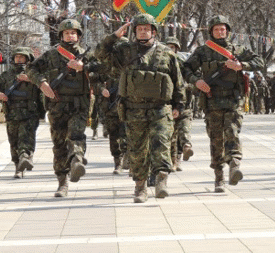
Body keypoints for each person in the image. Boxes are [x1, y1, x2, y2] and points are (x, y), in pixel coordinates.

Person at [95, 14, 185, 203]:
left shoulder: (166, 53)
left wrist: (179, 105)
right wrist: (114, 37)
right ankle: (140, 187)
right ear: (134, 32)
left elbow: (178, 82)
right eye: (139, 29)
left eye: (147, 28)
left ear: (154, 31)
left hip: (160, 109)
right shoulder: (125, 51)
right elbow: (100, 54)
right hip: (134, 109)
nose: (143, 32)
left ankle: (161, 180)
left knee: (161, 143)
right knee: (137, 150)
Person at [182, 16, 264, 191]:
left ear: (228, 30)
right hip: (211, 102)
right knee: (216, 139)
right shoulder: (203, 51)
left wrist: (241, 65)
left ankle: (234, 165)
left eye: (223, 29)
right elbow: (185, 68)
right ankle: (219, 177)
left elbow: (259, 62)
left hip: (233, 101)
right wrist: (196, 81)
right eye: (217, 29)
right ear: (211, 31)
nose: (221, 32)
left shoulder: (237, 50)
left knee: (232, 132)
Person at [28, 19, 99, 198]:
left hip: (79, 104)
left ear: (79, 35)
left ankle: (77, 160)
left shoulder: (86, 55)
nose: (70, 36)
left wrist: (85, 68)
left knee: (76, 135)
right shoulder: (51, 55)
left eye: (74, 33)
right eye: (67, 33)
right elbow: (31, 69)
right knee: (59, 145)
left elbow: (102, 71)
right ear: (61, 35)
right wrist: (42, 83)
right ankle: (62, 182)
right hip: (57, 105)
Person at [0, 47, 44, 178]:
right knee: (13, 141)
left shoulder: (35, 73)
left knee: (26, 139)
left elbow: (47, 85)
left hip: (30, 113)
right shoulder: (7, 75)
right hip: (12, 113)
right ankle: (18, 165)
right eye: (17, 57)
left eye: (22, 57)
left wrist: (31, 79)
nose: (19, 59)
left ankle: (26, 158)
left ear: (28, 59)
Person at [165, 36, 194, 171]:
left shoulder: (183, 63)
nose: (170, 49)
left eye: (173, 47)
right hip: (168, 103)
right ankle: (173, 160)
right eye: (168, 47)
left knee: (184, 129)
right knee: (171, 134)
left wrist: (186, 86)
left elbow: (193, 79)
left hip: (184, 103)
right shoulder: (162, 62)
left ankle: (185, 149)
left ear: (176, 49)